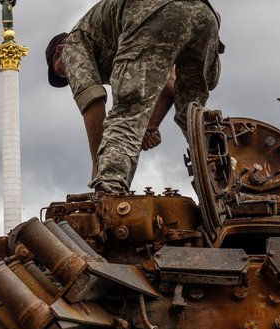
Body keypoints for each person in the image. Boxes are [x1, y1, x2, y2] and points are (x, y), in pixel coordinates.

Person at [46, 0, 223, 194]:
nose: (68, 77)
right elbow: (170, 84)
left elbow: (92, 102)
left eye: (62, 72)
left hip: (155, 10)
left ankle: (108, 192)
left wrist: (99, 168)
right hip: (204, 15)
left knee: (126, 113)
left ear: (60, 51)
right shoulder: (114, 40)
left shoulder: (72, 44)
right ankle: (226, 184)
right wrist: (151, 125)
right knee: (193, 116)